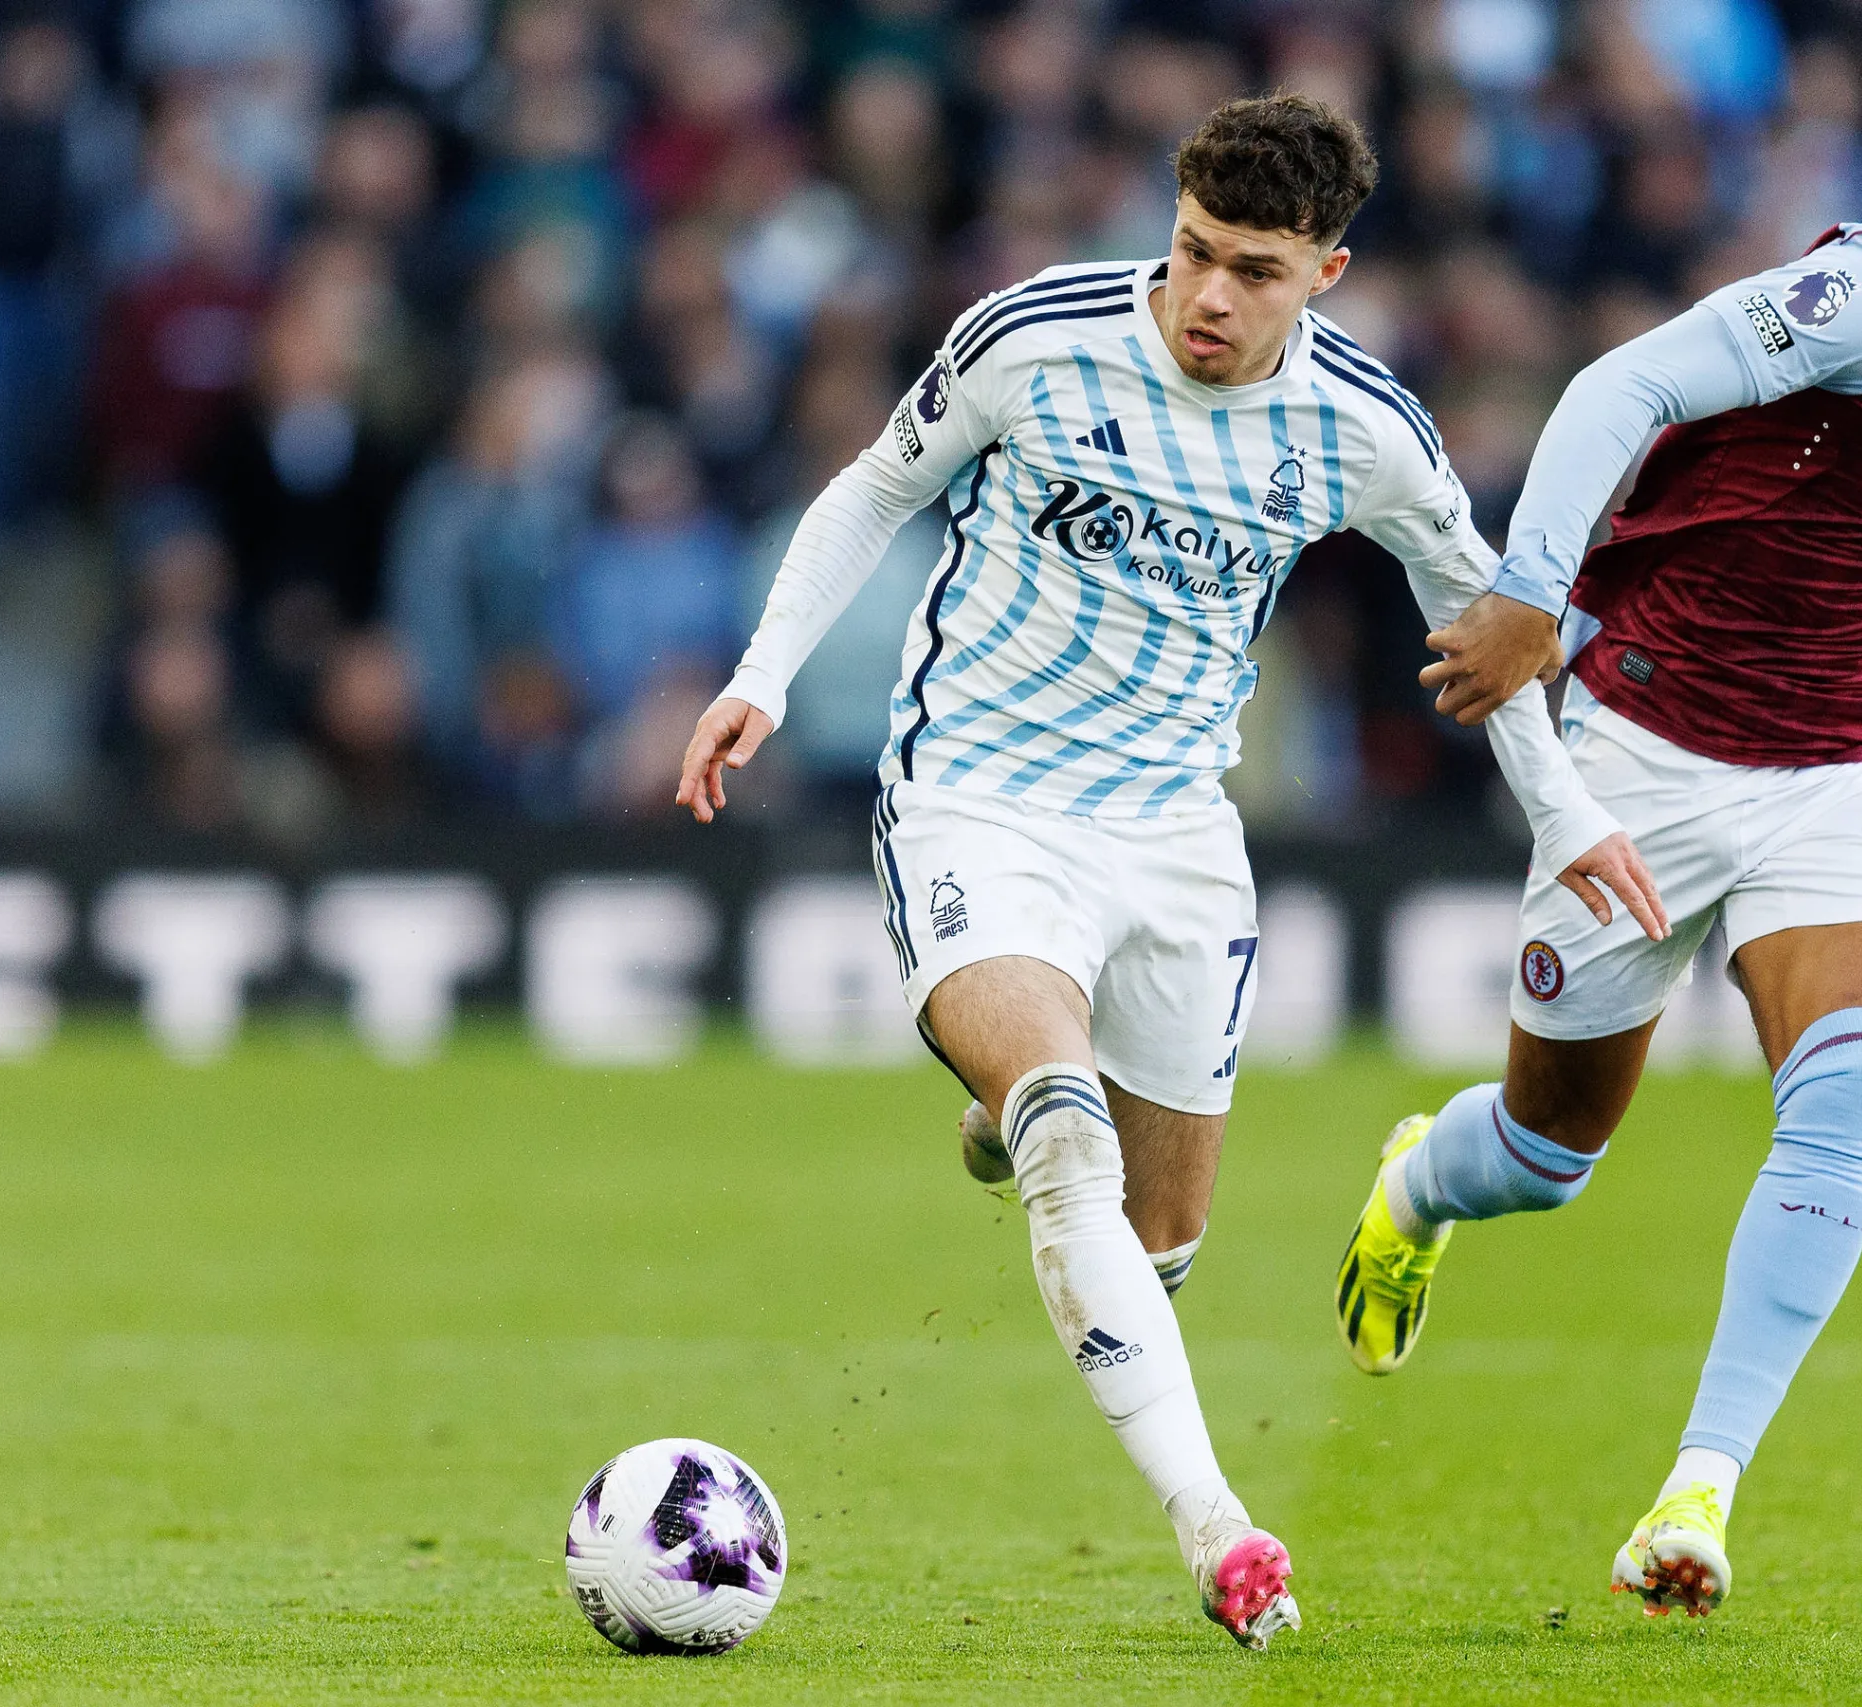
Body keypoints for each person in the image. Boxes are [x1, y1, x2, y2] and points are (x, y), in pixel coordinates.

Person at [673, 94, 1660, 1649]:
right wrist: (766, 674)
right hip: (979, 800)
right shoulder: (1037, 336)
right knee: (1073, 1135)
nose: (1209, 295)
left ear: (1326, 273)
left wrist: (1566, 811)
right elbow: (876, 483)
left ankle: (1011, 1103)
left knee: (1164, 1248)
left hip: (1176, 838)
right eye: (1194, 251)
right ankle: (1220, 1527)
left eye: (1256, 271)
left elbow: (1489, 628)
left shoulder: (1364, 430)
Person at [1332, 54, 1862, 1620]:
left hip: (1841, 774)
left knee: (1849, 1089)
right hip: (1647, 753)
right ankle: (1413, 1195)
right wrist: (1529, 596)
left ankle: (1698, 1488)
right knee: (1542, 1156)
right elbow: (1618, 388)